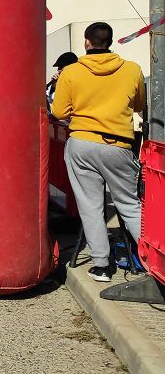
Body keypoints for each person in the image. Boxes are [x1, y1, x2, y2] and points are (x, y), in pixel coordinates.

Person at [51, 22, 146, 283]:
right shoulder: (132, 70)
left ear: (86, 42)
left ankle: (101, 266)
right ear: (111, 42)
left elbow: (59, 112)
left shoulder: (71, 72)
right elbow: (138, 105)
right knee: (129, 204)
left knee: (91, 206)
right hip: (118, 145)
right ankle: (152, 262)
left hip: (82, 143)